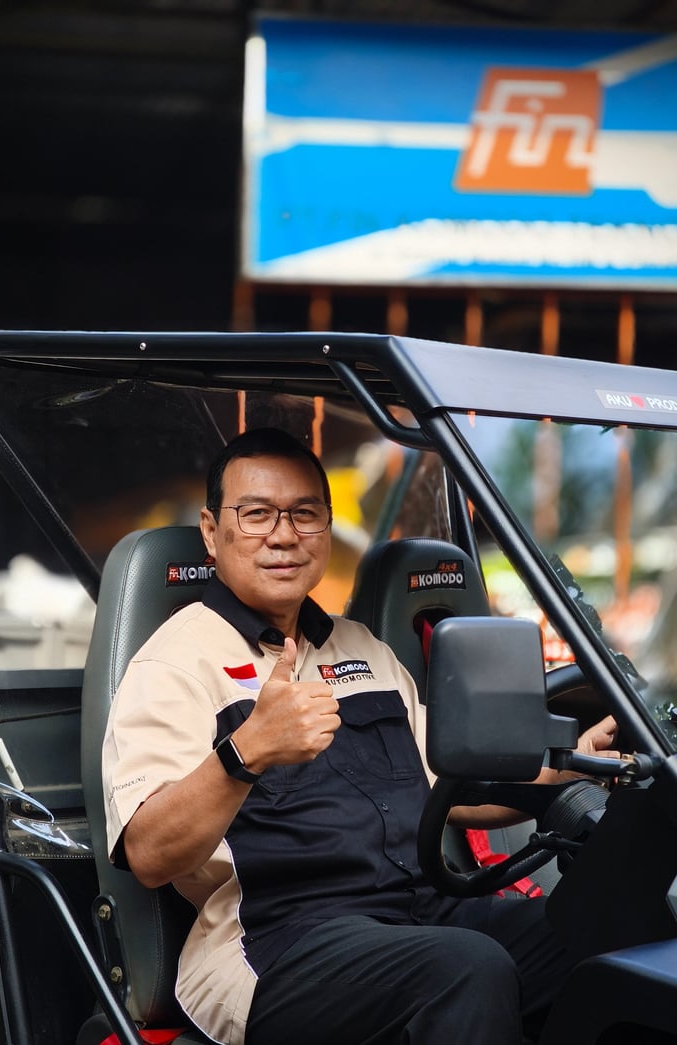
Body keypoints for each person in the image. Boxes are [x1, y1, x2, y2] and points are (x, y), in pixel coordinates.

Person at [102, 426, 618, 1045]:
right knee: (465, 969)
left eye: (305, 514)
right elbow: (150, 855)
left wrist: (570, 765)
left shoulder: (361, 648)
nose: (284, 535)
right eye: (257, 514)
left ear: (326, 526)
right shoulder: (175, 663)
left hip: (419, 910)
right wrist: (247, 752)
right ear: (212, 532)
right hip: (278, 940)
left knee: (608, 928)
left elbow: (451, 782)